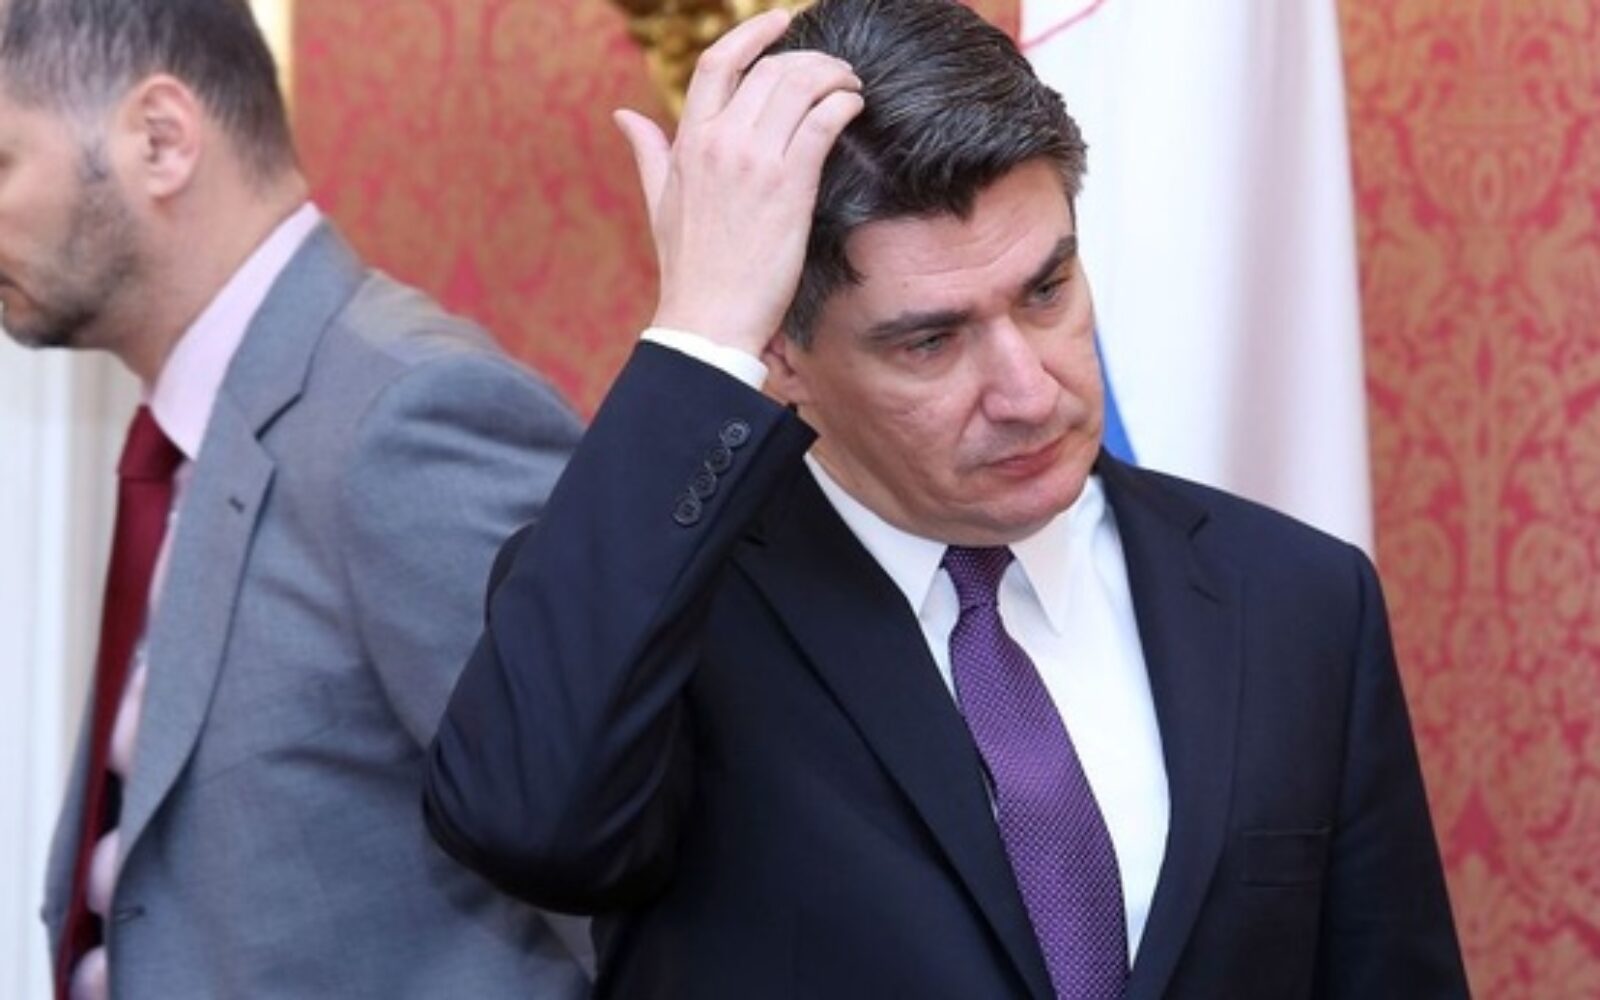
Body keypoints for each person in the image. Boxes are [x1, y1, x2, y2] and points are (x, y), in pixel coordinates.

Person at [425, 0, 1469, 996]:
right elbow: (527, 825)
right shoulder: (676, 622)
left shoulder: (1295, 598)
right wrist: (699, 337)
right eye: (930, 341)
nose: (1028, 392)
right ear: (780, 352)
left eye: (1046, 291)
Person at [3, 1, 589, 996]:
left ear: (160, 140)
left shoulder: (409, 417)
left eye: (2, 160)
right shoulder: (193, 434)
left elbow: (609, 885)